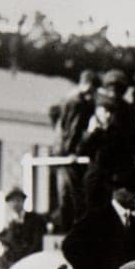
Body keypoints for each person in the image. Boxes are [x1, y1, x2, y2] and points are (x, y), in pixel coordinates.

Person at [53, 69, 98, 229]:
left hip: (62, 151)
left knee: (66, 197)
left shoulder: (68, 99)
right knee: (74, 197)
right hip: (68, 154)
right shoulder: (78, 102)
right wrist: (72, 151)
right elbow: (74, 128)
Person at [0, 187, 48, 269]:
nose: (15, 204)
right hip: (16, 265)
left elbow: (38, 243)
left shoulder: (35, 219)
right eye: (12, 201)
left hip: (33, 262)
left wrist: (27, 260)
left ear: (23, 201)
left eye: (18, 200)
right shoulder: (11, 224)